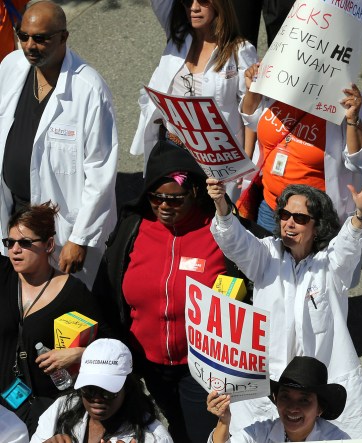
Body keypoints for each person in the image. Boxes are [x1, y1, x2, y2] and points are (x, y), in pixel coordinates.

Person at [94, 140, 266, 443]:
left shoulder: (221, 229)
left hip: (201, 367)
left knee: (202, 435)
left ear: (195, 192)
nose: (163, 206)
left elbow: (268, 260)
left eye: (175, 200)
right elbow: (106, 291)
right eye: (155, 198)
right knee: (167, 429)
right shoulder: (133, 227)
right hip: (147, 364)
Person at [207, 169, 362, 439]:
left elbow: (348, 246)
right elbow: (235, 242)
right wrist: (222, 206)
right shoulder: (266, 254)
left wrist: (361, 216)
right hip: (270, 382)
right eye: (285, 215)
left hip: (321, 382)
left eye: (300, 218)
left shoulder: (331, 264)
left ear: (317, 226)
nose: (289, 223)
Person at [0, 0, 118, 289]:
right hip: (13, 212)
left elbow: (101, 174)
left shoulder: (89, 90)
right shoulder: (12, 66)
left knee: (59, 305)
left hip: (59, 229)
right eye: (23, 35)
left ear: (63, 37)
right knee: (16, 300)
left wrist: (80, 238)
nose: (29, 45)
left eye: (40, 38)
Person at [0, 203, 107, 434]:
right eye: (9, 243)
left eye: (25, 243)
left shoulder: (73, 292)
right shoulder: (3, 274)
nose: (15, 250)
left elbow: (112, 347)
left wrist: (79, 353)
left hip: (48, 409)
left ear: (48, 245)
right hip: (4, 406)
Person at [238, 63, 362, 231]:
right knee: (265, 257)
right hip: (270, 207)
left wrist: (353, 118)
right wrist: (253, 89)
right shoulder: (281, 83)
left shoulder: (353, 104)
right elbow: (252, 119)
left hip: (312, 218)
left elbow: (361, 162)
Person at [131, 0, 257, 170]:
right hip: (173, 150)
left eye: (203, 1)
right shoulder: (177, 35)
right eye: (187, 1)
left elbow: (250, 112)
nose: (194, 8)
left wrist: (246, 163)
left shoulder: (239, 50)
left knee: (213, 198)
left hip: (218, 159)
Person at [31, 339, 172, 443]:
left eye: (108, 392)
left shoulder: (155, 438)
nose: (97, 399)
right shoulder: (61, 408)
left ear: (127, 388)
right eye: (89, 390)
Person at [206, 356, 349, 442]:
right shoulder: (259, 433)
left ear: (320, 408)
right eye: (285, 397)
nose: (293, 408)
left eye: (304, 400)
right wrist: (224, 421)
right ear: (276, 399)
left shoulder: (337, 440)